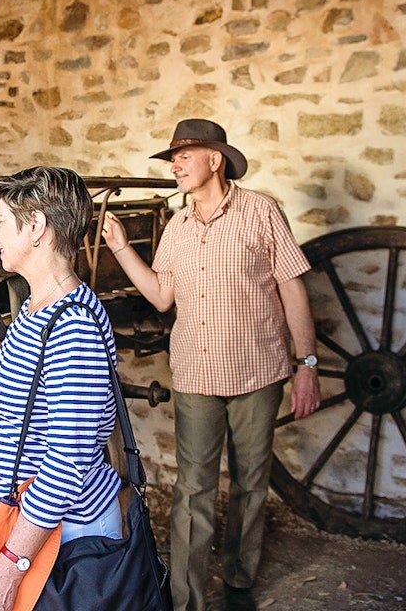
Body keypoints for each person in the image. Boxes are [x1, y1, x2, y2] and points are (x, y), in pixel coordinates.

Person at [101, 119, 322, 611]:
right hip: (197, 376)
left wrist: (307, 364)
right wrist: (120, 248)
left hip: (257, 373)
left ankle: (240, 583)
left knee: (250, 483)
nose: (175, 165)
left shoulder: (261, 212)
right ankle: (186, 601)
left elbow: (292, 289)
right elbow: (161, 296)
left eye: (185, 156)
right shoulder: (177, 226)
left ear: (215, 159)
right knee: (193, 490)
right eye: (173, 158)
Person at [0, 166, 123, 611]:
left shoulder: (73, 327)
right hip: (37, 531)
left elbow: (68, 461)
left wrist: (10, 565)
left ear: (35, 226)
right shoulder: (41, 307)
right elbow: (20, 377)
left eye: (0, 223)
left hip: (67, 544)